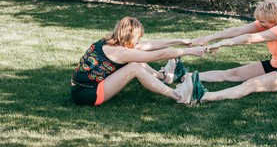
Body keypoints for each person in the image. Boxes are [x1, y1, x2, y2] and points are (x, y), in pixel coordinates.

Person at [177, 0, 277, 104]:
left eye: (262, 22)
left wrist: (221, 44)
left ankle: (202, 96)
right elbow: (237, 31)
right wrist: (207, 38)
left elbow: (249, 38)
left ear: (274, 18)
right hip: (275, 64)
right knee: (233, 73)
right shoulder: (268, 22)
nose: (259, 25)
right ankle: (186, 76)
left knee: (251, 84)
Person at [70, 17, 205, 106]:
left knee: (134, 62)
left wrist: (180, 41)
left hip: (81, 88)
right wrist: (192, 51)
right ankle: (179, 96)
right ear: (129, 36)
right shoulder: (121, 52)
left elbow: (151, 45)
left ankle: (163, 77)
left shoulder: (111, 41)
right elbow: (161, 54)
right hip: (87, 94)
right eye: (137, 37)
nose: (139, 41)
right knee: (134, 67)